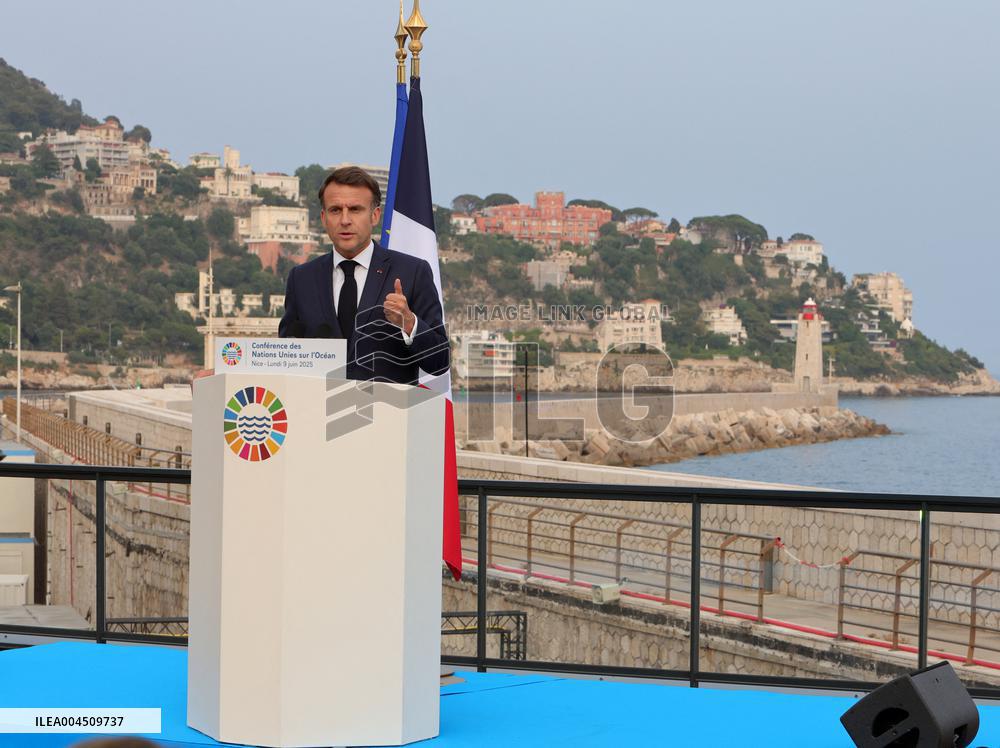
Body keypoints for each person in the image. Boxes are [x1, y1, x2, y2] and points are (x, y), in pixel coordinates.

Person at [279, 166, 449, 384]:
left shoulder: (412, 272)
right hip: (317, 414)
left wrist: (409, 323)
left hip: (389, 414)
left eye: (355, 209)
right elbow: (285, 355)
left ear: (375, 215)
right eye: (335, 210)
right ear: (323, 218)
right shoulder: (301, 279)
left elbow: (440, 362)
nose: (345, 220)